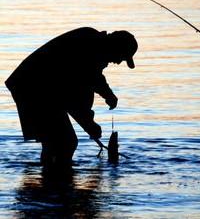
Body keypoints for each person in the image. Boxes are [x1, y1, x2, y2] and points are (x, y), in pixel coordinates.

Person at [5, 27, 138, 168]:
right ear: (116, 47)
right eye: (121, 57)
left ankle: (50, 181)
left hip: (37, 86)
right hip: (32, 86)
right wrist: (89, 125)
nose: (118, 62)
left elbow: (93, 78)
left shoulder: (94, 45)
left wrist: (108, 95)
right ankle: (58, 181)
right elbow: (73, 97)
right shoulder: (90, 47)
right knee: (65, 141)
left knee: (55, 141)